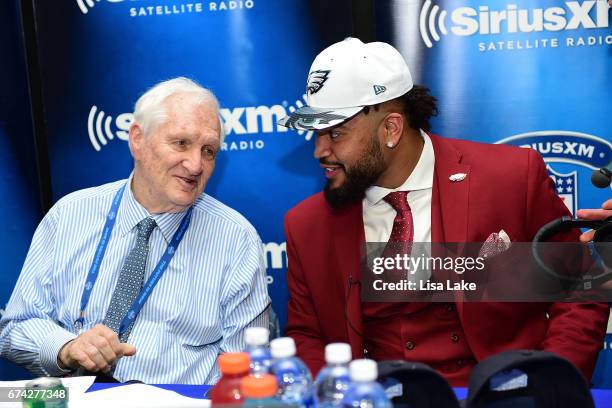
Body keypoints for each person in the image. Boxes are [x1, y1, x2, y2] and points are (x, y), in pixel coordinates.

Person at [277, 38, 609, 386]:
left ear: (391, 128)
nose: (319, 150)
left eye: (335, 133)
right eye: (316, 133)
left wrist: (550, 383)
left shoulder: (509, 179)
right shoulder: (307, 225)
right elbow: (307, 336)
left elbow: (580, 289)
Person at [0, 77, 270, 384]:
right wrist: (67, 347)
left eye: (208, 151)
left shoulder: (236, 240)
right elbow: (15, 328)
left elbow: (247, 369)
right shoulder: (68, 215)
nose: (195, 165)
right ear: (137, 139)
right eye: (181, 143)